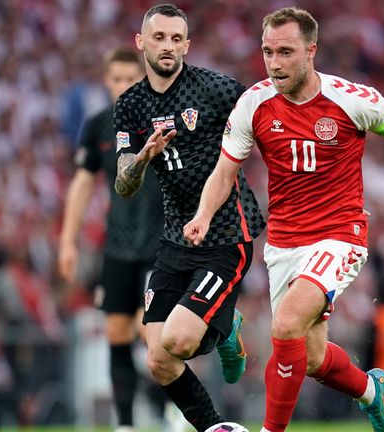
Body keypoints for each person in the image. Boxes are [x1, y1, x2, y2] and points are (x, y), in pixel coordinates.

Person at [184, 7, 384, 432]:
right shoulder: (254, 104)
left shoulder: (348, 98)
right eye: (268, 52)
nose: (274, 63)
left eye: (286, 52)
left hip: (340, 235)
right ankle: (371, 391)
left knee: (286, 323)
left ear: (311, 51)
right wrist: (203, 215)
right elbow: (224, 171)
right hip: (284, 245)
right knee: (309, 358)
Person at [113, 4, 265, 431]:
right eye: (159, 37)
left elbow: (267, 124)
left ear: (187, 45)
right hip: (175, 239)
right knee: (158, 359)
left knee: (179, 340)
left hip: (225, 234)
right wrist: (143, 157)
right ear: (141, 43)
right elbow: (125, 184)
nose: (168, 47)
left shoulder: (215, 89)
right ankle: (215, 427)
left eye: (177, 39)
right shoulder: (130, 106)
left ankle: (222, 329)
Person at [58, 47, 164, 432]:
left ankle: (176, 410)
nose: (122, 86)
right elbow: (82, 184)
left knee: (152, 333)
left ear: (143, 79)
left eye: (129, 79)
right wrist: (68, 241)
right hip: (118, 246)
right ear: (106, 81)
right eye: (116, 79)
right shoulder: (99, 125)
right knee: (117, 332)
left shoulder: (161, 123)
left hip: (160, 247)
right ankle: (126, 425)